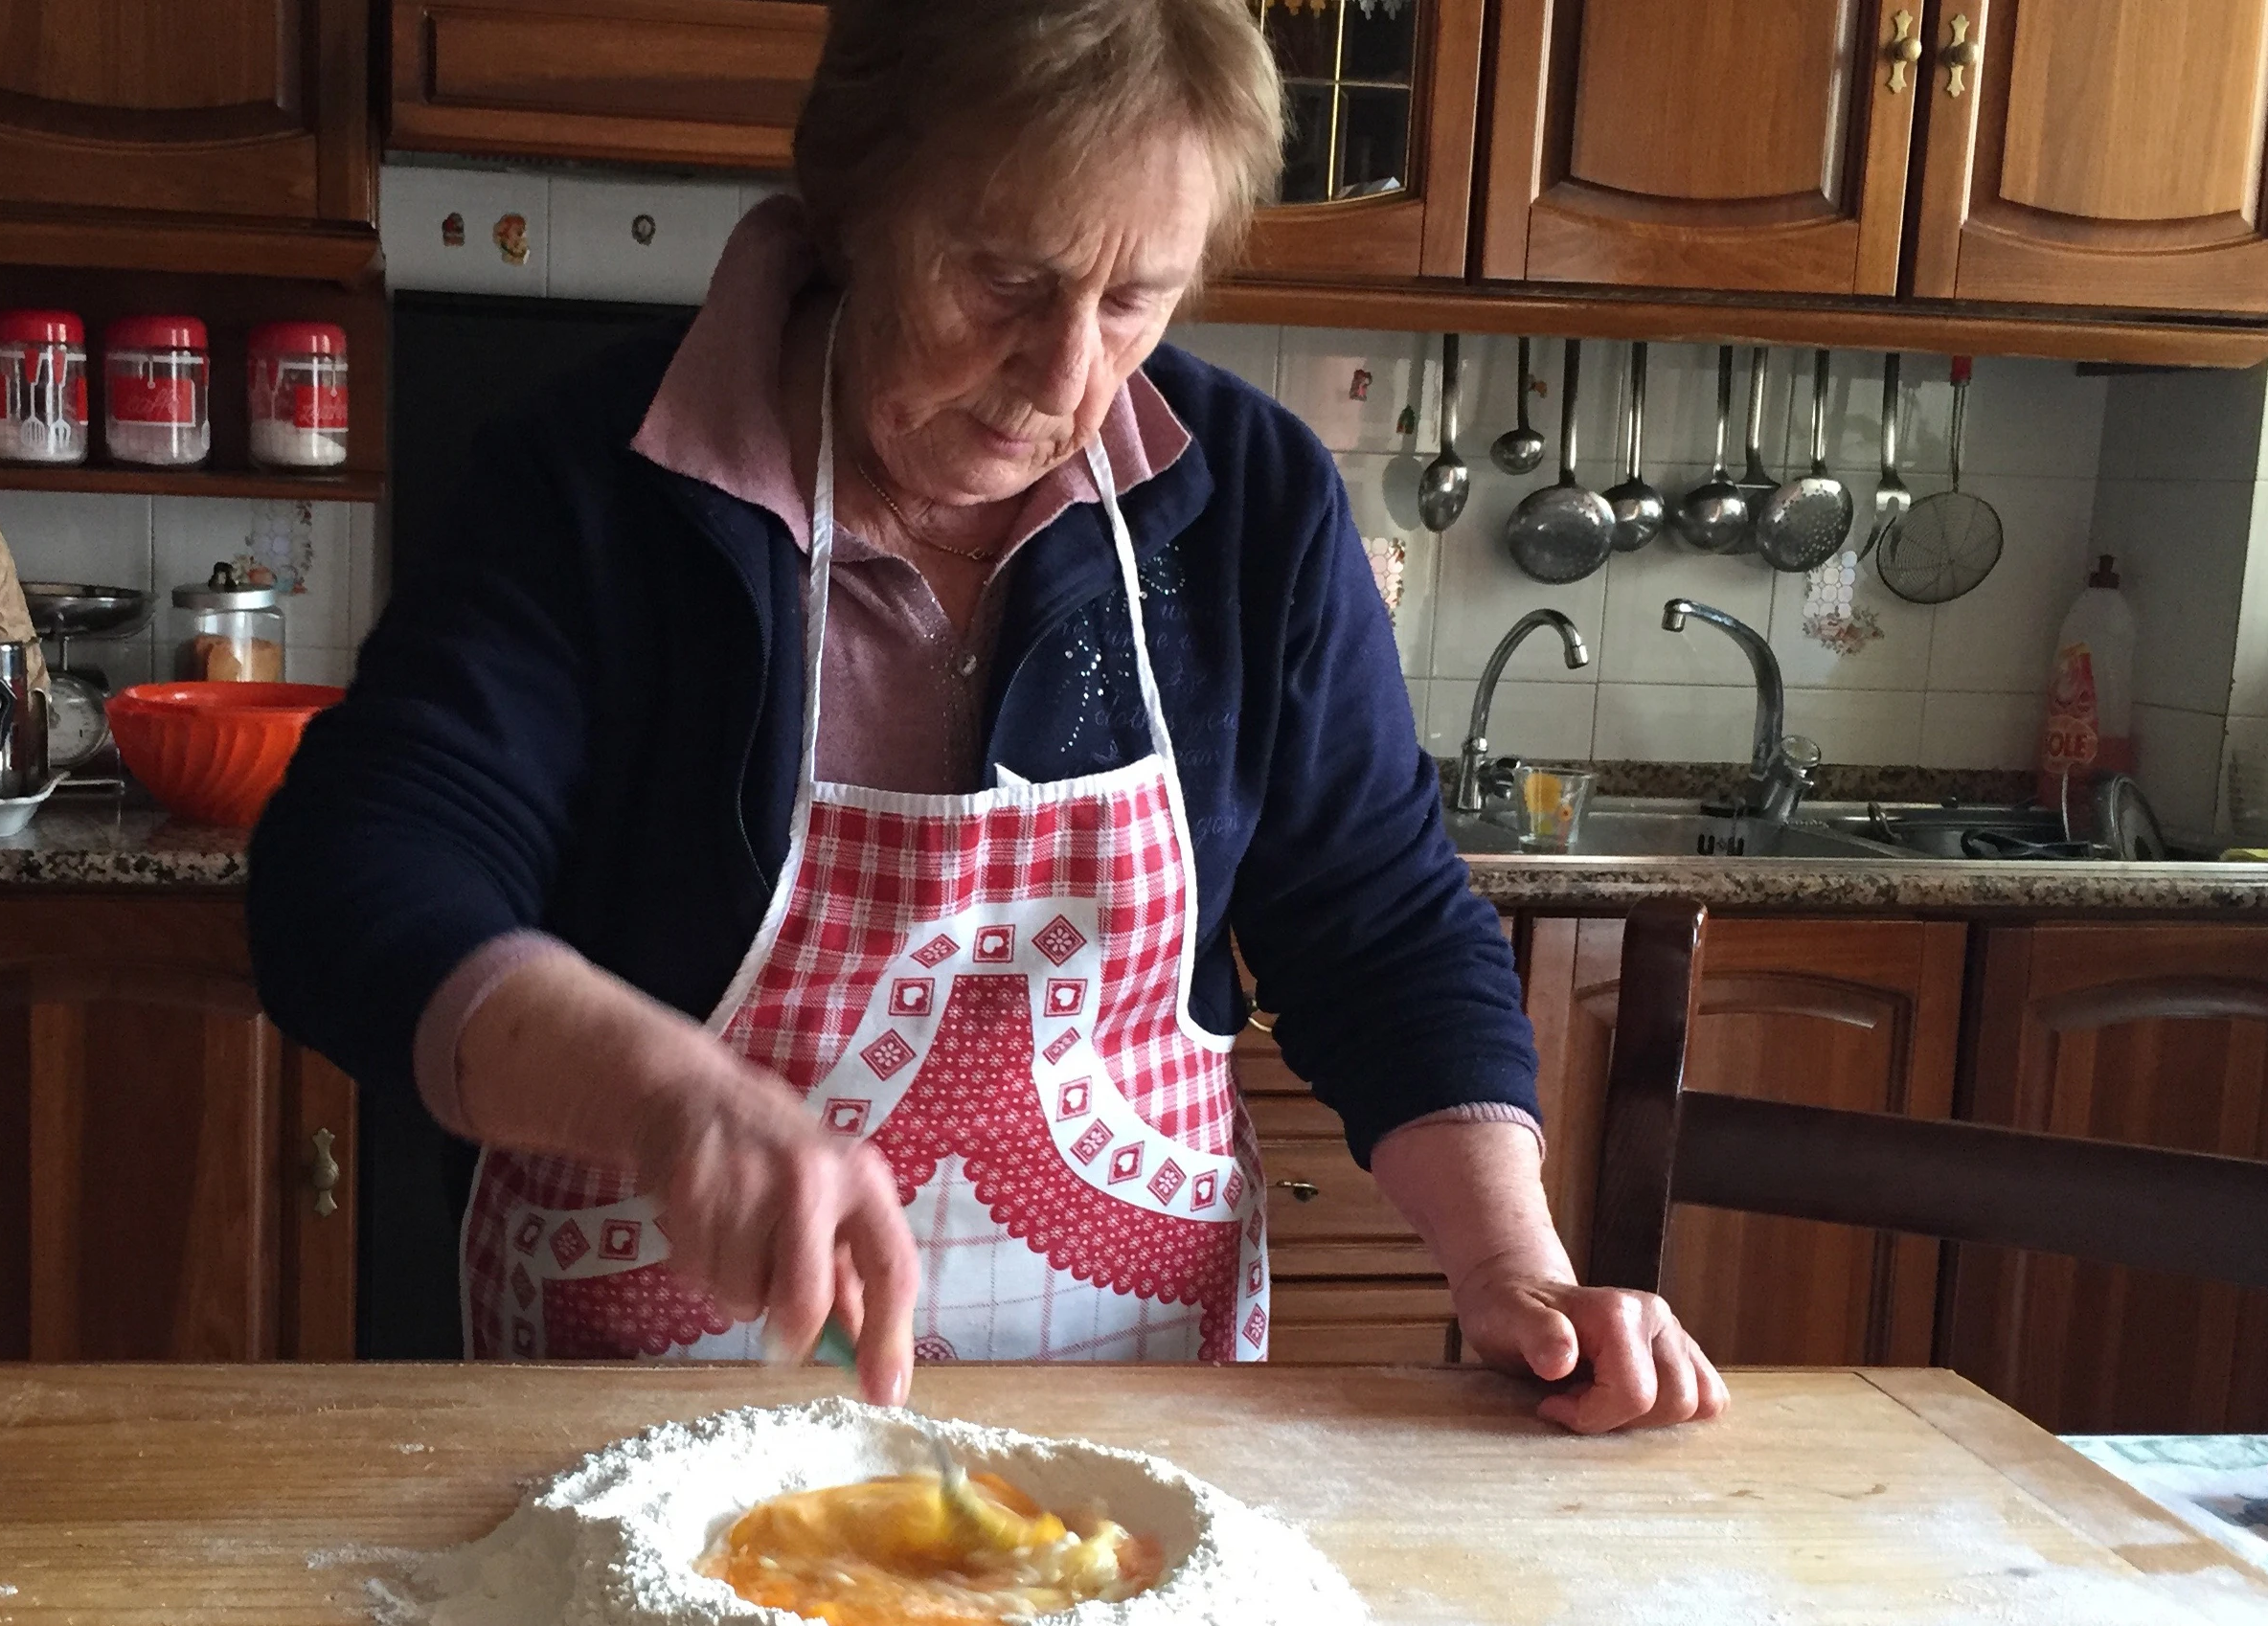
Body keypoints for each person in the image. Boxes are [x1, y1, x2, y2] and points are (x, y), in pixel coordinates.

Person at [251, 0, 1725, 1434]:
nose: (1065, 377)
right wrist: (662, 1098)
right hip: (651, 1423)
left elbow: (1382, 926)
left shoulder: (1253, 505)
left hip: (1128, 1427)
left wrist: (1515, 1266)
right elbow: (359, 875)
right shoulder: (595, 485)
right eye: (1008, 281)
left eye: (1133, 299)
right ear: (857, 202)